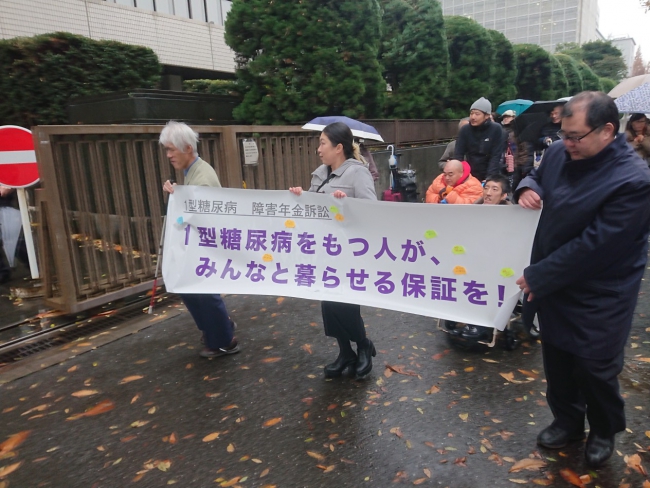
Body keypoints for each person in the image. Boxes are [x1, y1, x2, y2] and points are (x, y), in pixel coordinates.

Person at [515, 92, 650, 468]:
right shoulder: (561, 153)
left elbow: (598, 246)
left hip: (602, 290)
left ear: (608, 130)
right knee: (556, 359)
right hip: (554, 282)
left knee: (595, 367)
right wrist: (528, 187)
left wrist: (539, 274)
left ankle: (604, 429)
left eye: (575, 136)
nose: (567, 143)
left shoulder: (634, 180)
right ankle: (568, 422)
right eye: (563, 134)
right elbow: (535, 174)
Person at [289, 122, 377, 379]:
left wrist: (347, 204)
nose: (318, 149)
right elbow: (315, 207)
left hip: (348, 250)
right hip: (324, 249)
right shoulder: (320, 174)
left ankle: (362, 345)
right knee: (328, 303)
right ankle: (344, 352)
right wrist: (300, 196)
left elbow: (372, 209)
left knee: (346, 303)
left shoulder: (357, 174)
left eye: (322, 143)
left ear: (339, 148)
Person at [160, 121, 240, 359]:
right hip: (199, 243)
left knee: (203, 291)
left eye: (172, 149)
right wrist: (176, 196)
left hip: (205, 244)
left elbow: (202, 216)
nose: (169, 155)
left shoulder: (201, 176)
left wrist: (178, 200)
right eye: (167, 149)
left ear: (187, 148)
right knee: (193, 289)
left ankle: (226, 340)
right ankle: (217, 330)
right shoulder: (194, 171)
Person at [454, 97, 506, 181]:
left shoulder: (496, 129)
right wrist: (461, 174)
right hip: (470, 172)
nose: (473, 117)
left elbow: (496, 155)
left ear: (486, 116)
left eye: (477, 114)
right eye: (471, 113)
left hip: (490, 171)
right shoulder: (465, 129)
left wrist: (489, 178)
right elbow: (458, 154)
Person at [501, 110, 533, 190]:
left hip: (517, 166)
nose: (506, 119)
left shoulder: (520, 133)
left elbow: (525, 151)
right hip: (504, 165)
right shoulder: (500, 131)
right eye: (504, 117)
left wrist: (520, 166)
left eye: (508, 116)